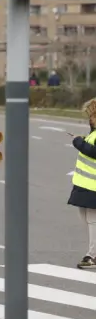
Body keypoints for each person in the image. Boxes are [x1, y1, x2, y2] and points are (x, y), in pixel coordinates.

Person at [68, 97, 96, 269]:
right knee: (85, 218)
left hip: (93, 186)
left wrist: (78, 142)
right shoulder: (93, 133)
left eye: (91, 116)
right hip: (84, 184)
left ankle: (91, 255)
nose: (89, 119)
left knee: (92, 220)